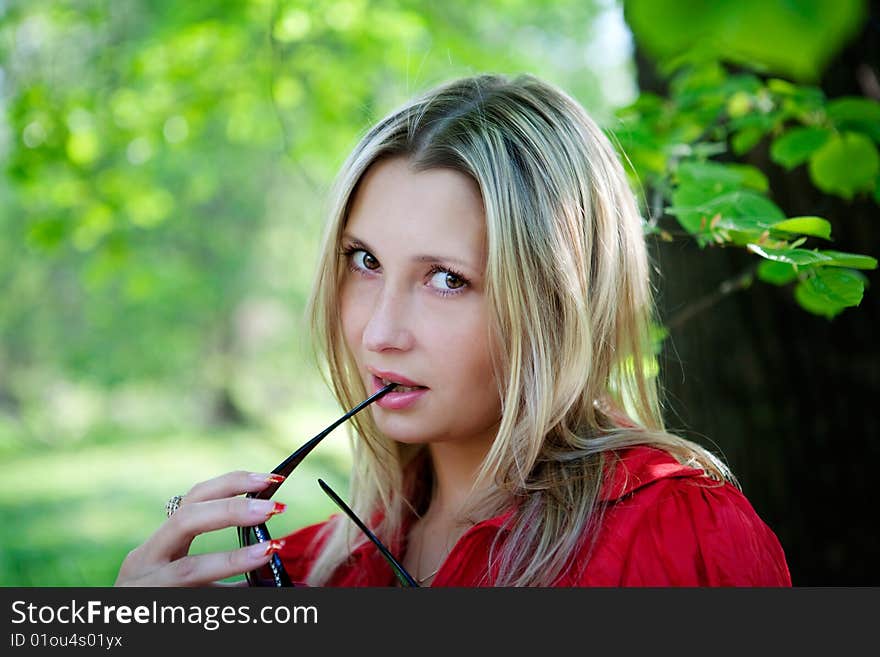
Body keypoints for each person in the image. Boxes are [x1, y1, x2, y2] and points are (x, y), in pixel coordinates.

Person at [115, 73, 791, 587]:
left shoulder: (680, 537)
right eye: (365, 261)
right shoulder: (311, 569)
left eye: (447, 279)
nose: (380, 332)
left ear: (557, 304)